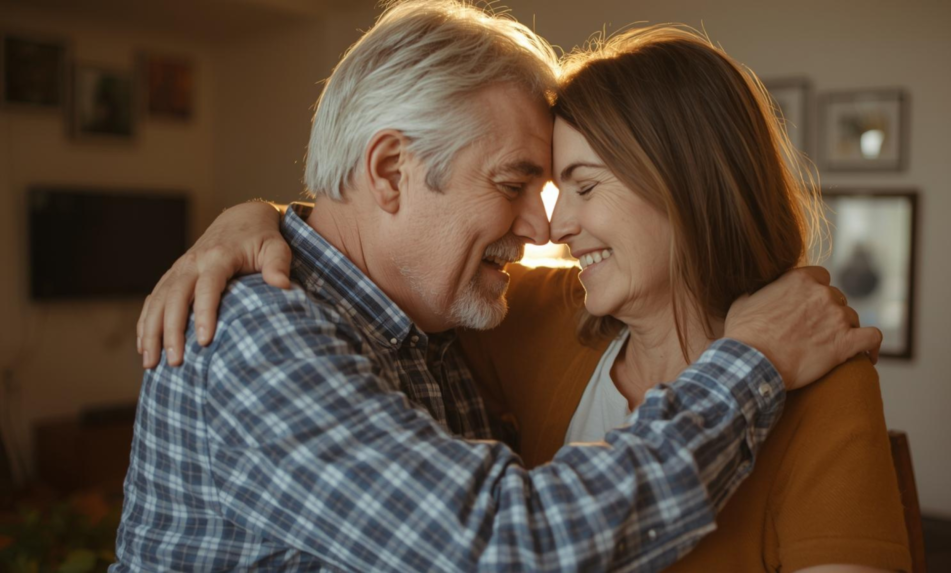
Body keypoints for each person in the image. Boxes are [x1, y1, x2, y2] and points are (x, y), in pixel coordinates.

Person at [122, 3, 884, 572]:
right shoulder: (252, 332)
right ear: (390, 170)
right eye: (516, 183)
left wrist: (259, 216)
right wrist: (751, 364)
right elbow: (503, 547)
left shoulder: (447, 323)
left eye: (569, 186)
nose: (545, 228)